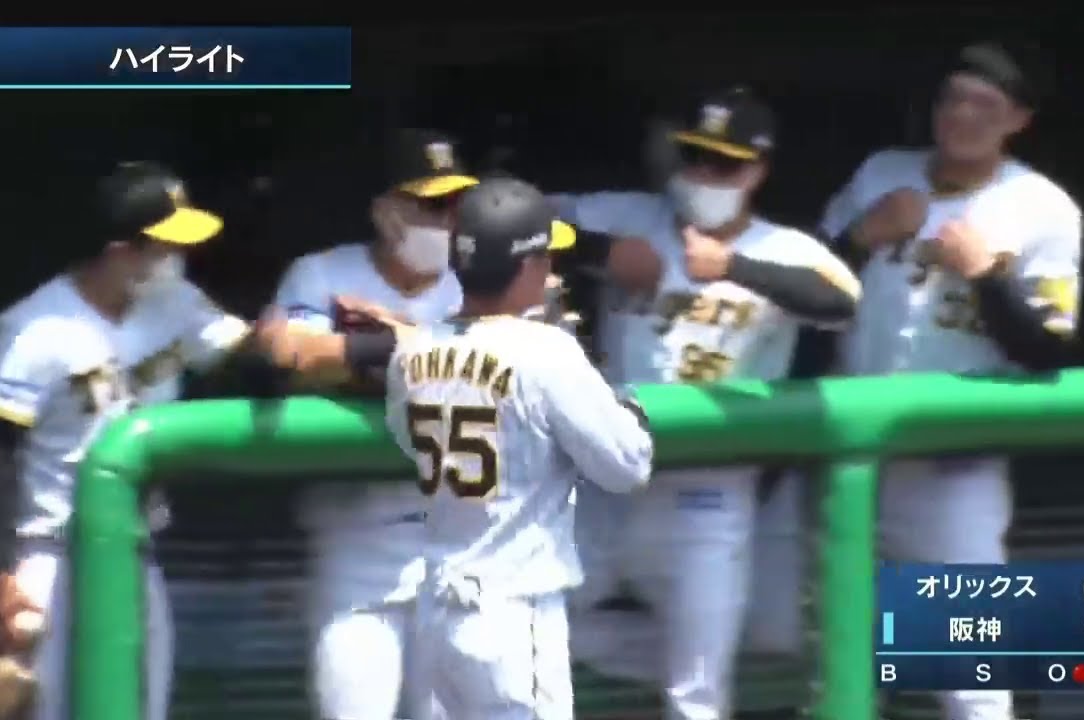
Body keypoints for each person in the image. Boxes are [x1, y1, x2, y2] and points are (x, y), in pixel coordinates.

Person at [256, 175, 655, 719]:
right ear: (529, 266)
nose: (551, 271)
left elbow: (407, 435)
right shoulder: (548, 349)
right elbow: (628, 466)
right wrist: (626, 409)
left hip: (440, 600)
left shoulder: (415, 351)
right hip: (515, 608)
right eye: (545, 260)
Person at [554, 86, 861, 720]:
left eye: (725, 164)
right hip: (608, 482)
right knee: (531, 623)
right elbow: (510, 219)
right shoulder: (629, 217)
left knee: (697, 694)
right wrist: (600, 252)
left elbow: (840, 302)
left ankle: (709, 665)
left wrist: (734, 267)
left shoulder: (782, 247)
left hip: (709, 497)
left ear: (759, 171)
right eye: (695, 157)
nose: (704, 175)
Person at [816, 44, 1081, 720]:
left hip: (952, 466)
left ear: (1018, 119)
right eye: (951, 99)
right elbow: (807, 290)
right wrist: (863, 235)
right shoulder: (882, 172)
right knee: (821, 643)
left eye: (985, 104)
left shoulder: (1043, 206)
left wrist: (987, 275)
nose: (963, 114)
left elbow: (1047, 348)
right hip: (849, 451)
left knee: (968, 667)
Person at [0, 162, 251, 720]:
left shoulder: (178, 303)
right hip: (49, 558)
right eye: (164, 245)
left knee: (141, 709)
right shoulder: (35, 330)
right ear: (120, 252)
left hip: (137, 549)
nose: (177, 257)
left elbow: (255, 363)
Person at [271, 128, 475, 720]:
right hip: (356, 539)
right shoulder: (321, 274)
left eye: (454, 203)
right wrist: (419, 357)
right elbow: (294, 357)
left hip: (458, 542)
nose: (447, 219)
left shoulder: (477, 282)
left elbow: (503, 374)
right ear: (385, 212)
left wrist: (376, 349)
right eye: (431, 204)